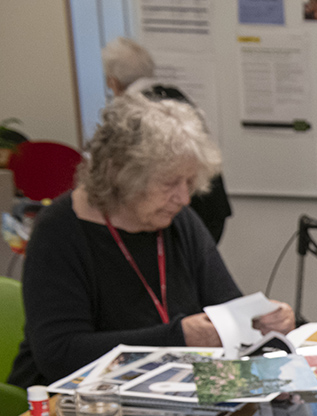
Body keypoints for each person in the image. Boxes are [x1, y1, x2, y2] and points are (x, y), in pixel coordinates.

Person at [8, 95, 294, 388]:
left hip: (165, 391)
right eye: (169, 183)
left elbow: (226, 305)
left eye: (189, 183)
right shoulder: (59, 231)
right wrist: (178, 338)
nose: (184, 198)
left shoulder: (178, 221)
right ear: (120, 175)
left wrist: (261, 320)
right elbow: (60, 355)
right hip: (73, 405)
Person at [101, 37, 233, 243]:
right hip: (211, 210)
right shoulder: (179, 99)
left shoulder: (131, 114)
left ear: (113, 82)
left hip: (178, 217)